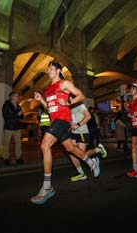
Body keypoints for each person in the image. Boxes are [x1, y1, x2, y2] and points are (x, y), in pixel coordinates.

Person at [30, 62, 101, 204]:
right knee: (71, 148)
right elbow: (50, 109)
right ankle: (91, 162)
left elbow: (81, 95)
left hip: (63, 119)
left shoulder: (64, 83)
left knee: (45, 146)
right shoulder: (48, 89)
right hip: (55, 119)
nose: (48, 71)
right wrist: (42, 100)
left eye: (51, 69)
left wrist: (68, 104)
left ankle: (47, 187)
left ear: (58, 71)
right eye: (48, 69)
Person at [69, 101, 107, 182]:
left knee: (80, 155)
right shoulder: (68, 106)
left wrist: (78, 125)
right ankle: (81, 173)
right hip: (73, 133)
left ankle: (97, 151)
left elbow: (88, 116)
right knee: (71, 153)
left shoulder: (79, 104)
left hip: (82, 132)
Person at [2, 91, 24, 165]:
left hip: (16, 127)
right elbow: (6, 115)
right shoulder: (6, 105)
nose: (18, 97)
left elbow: (22, 116)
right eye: (17, 96)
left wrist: (21, 114)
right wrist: (17, 114)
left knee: (18, 142)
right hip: (9, 127)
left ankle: (18, 157)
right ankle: (5, 158)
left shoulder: (18, 106)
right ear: (12, 97)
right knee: (6, 143)